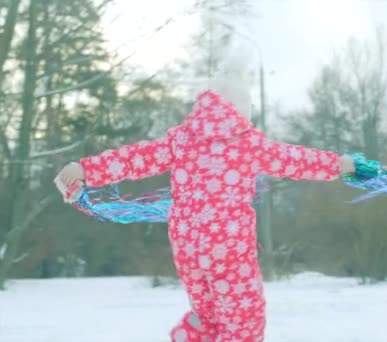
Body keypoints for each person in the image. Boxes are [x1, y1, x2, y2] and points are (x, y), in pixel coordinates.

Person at [55, 47, 355, 341]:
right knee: (243, 323)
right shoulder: (247, 143)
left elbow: (136, 157)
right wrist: (338, 164)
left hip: (189, 249)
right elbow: (295, 160)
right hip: (229, 249)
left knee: (209, 316)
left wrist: (85, 169)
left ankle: (196, 331)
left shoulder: (181, 140)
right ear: (241, 109)